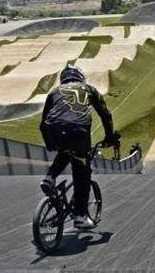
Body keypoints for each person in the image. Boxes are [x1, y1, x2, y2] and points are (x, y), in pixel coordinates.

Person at [40, 64, 115, 229]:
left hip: (54, 130)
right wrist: (109, 136)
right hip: (78, 131)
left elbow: (43, 121)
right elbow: (105, 114)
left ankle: (50, 177)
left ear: (63, 78)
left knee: (65, 150)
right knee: (82, 174)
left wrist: (49, 144)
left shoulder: (54, 92)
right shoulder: (88, 88)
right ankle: (80, 216)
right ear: (80, 77)